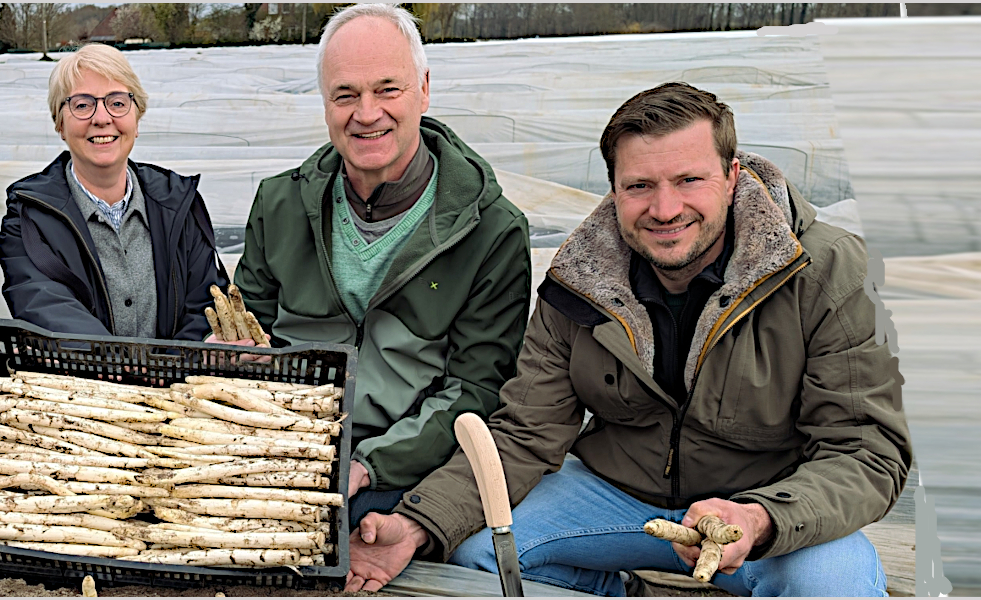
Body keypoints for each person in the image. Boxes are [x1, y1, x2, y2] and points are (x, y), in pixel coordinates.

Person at [345, 82, 912, 596]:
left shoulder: (826, 271)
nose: (665, 209)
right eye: (639, 186)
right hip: (617, 498)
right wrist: (419, 522)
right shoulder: (579, 280)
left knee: (835, 586)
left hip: (767, 509)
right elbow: (525, 432)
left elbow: (867, 451)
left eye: (689, 180)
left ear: (733, 175)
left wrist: (760, 519)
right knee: (478, 549)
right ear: (614, 188)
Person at [228, 4, 533, 527]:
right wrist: (233, 359)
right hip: (281, 452)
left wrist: (368, 465)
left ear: (424, 89)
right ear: (324, 103)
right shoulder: (279, 203)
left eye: (387, 89)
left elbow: (476, 389)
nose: (366, 114)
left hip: (401, 468)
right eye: (345, 95)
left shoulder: (491, 231)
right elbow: (249, 327)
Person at [0, 43, 226, 341]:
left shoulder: (179, 204)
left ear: (137, 118)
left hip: (179, 383)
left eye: (117, 103)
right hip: (82, 385)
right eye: (82, 105)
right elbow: (45, 307)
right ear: (60, 124)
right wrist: (127, 367)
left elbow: (206, 305)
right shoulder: (29, 217)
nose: (102, 118)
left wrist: (166, 369)